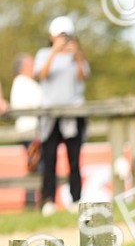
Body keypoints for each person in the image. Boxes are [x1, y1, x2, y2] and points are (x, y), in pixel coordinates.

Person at [33, 16, 89, 215]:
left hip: (72, 113)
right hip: (49, 114)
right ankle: (48, 200)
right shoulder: (43, 54)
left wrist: (77, 56)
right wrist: (55, 52)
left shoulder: (76, 57)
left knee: (74, 160)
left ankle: (76, 199)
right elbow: (42, 74)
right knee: (49, 160)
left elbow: (83, 77)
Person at [9, 53, 43, 169]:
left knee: (35, 166)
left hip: (32, 131)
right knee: (37, 166)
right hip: (31, 131)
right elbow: (39, 103)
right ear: (24, 67)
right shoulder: (23, 82)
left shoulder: (23, 82)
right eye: (32, 64)